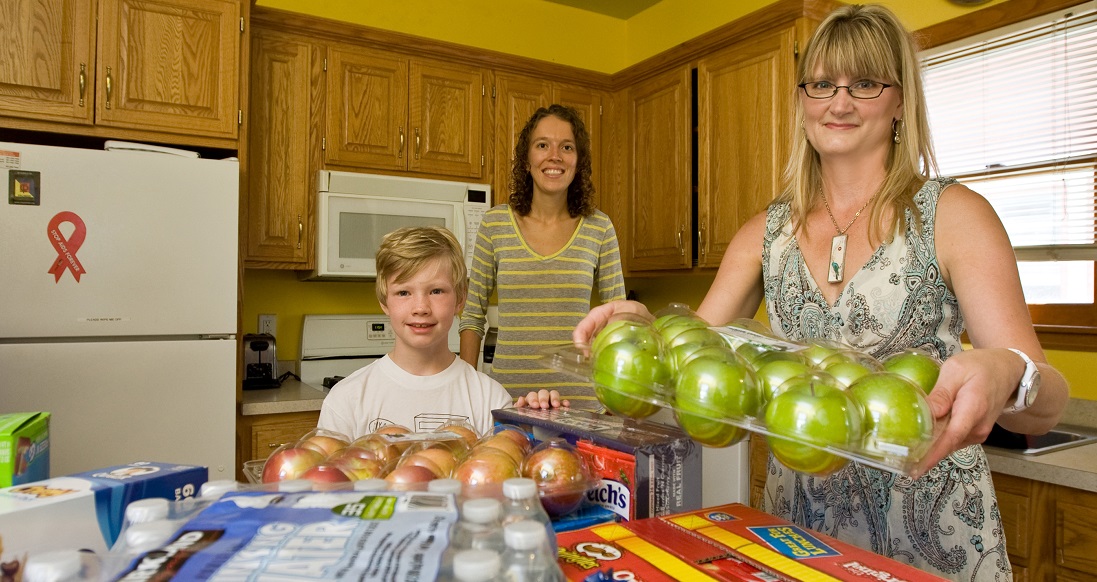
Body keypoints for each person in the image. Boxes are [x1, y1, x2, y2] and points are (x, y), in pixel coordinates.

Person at [573, 5, 1068, 580]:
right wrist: (640, 330)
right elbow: (687, 373)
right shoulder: (764, 233)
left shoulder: (954, 217)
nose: (840, 102)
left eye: (865, 83)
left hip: (934, 543)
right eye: (822, 84)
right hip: (801, 543)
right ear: (802, 98)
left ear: (901, 99)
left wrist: (1010, 370)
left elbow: (1046, 407)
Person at [318, 226, 561, 440]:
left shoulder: (490, 399)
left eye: (436, 291)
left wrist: (537, 431)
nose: (421, 308)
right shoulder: (346, 400)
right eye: (404, 293)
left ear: (460, 299)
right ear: (384, 300)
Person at [459, 104, 626, 412]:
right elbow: (472, 316)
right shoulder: (495, 224)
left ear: (578, 161)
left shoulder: (599, 228)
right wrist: (469, 394)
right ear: (527, 160)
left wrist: (617, 400)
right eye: (542, 145)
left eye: (566, 147)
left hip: (582, 405)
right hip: (506, 401)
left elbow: (619, 322)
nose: (555, 156)